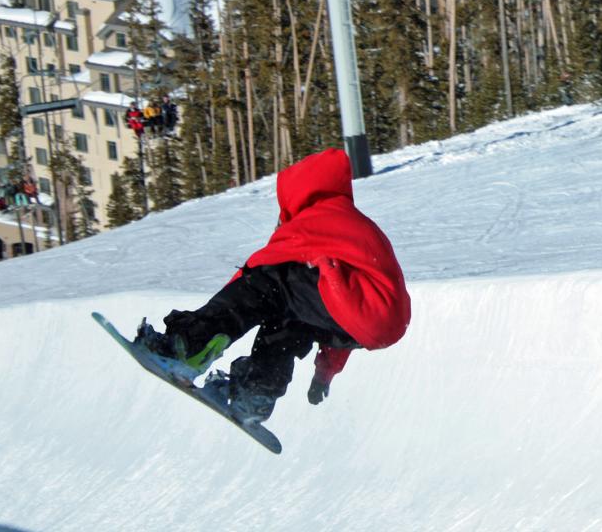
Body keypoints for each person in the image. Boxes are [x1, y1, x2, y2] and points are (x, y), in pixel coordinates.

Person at [135, 148, 410, 425]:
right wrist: (325, 372)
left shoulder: (317, 218)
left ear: (297, 194)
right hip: (378, 324)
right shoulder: (348, 219)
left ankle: (188, 346)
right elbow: (360, 311)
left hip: (357, 309)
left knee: (268, 286)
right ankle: (255, 394)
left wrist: (211, 315)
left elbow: (259, 269)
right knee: (289, 312)